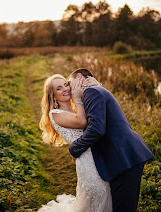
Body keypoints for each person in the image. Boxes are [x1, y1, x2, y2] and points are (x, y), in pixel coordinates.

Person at [68, 68, 154, 212]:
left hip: (124, 158)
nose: (71, 90)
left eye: (70, 84)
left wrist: (74, 148)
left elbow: (96, 129)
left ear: (79, 77)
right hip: (122, 157)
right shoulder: (97, 90)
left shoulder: (92, 92)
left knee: (123, 208)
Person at [38, 74, 112, 212]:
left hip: (95, 154)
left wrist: (96, 85)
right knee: (97, 191)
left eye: (66, 84)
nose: (65, 89)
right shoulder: (55, 113)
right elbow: (82, 122)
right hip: (87, 160)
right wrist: (77, 98)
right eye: (59, 88)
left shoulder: (75, 107)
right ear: (53, 95)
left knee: (104, 191)